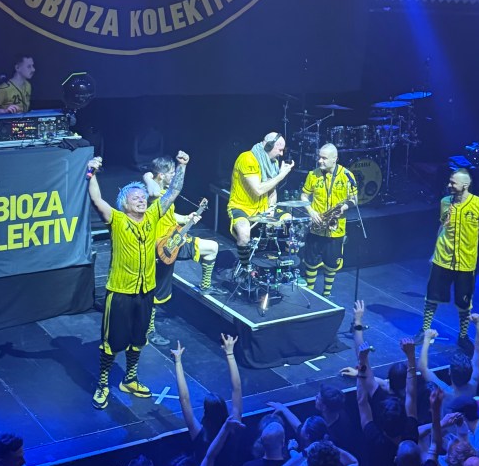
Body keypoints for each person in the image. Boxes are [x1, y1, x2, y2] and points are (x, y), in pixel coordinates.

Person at [86, 150, 188, 410]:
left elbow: (173, 191)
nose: (142, 200)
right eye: (136, 198)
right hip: (120, 292)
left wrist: (182, 166)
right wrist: (91, 173)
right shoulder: (117, 220)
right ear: (125, 204)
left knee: (138, 338)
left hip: (145, 291)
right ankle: (103, 384)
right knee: (111, 343)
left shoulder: (152, 216)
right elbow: (96, 199)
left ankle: (129, 379)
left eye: (143, 197)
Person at [418, 168, 479, 350]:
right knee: (432, 296)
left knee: (464, 302)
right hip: (442, 258)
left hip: (466, 262)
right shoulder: (445, 202)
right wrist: (434, 252)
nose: (449, 185)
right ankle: (424, 329)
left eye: (453, 182)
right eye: (450, 181)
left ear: (465, 185)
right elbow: (442, 227)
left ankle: (463, 336)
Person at [142, 156, 219, 328]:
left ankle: (205, 286)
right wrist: (147, 177)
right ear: (161, 175)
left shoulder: (165, 194)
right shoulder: (151, 195)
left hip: (176, 239)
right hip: (160, 248)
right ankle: (149, 329)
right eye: (171, 173)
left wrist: (186, 218)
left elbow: (170, 215)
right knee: (155, 292)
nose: (173, 176)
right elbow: (155, 196)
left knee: (212, 248)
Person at [226, 132, 295, 274]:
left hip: (262, 208)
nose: (281, 154)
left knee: (288, 220)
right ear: (269, 146)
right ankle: (245, 267)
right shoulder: (247, 158)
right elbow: (258, 190)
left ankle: (287, 264)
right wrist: (281, 175)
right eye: (280, 150)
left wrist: (271, 210)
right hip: (241, 207)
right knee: (244, 234)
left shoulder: (273, 162)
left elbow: (272, 190)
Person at [300, 144, 358, 297]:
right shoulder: (313, 175)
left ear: (335, 159)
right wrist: (311, 212)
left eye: (324, 158)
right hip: (316, 226)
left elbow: (355, 199)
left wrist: (343, 208)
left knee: (332, 264)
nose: (320, 161)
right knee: (310, 261)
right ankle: (309, 292)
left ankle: (327, 294)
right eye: (319, 157)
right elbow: (303, 196)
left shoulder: (347, 176)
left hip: (336, 229)